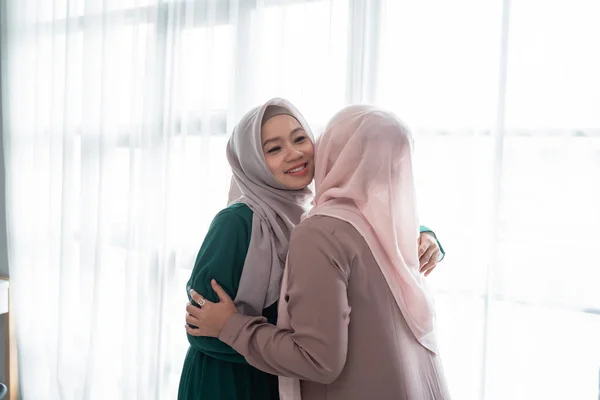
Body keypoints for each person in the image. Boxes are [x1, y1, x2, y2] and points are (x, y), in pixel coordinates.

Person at [180, 99, 446, 400]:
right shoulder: (237, 223)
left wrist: (425, 235)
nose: (294, 154)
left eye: (299, 139)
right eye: (274, 149)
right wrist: (262, 344)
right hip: (232, 382)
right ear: (253, 160)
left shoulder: (315, 211)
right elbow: (199, 324)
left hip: (282, 371)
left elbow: (377, 221)